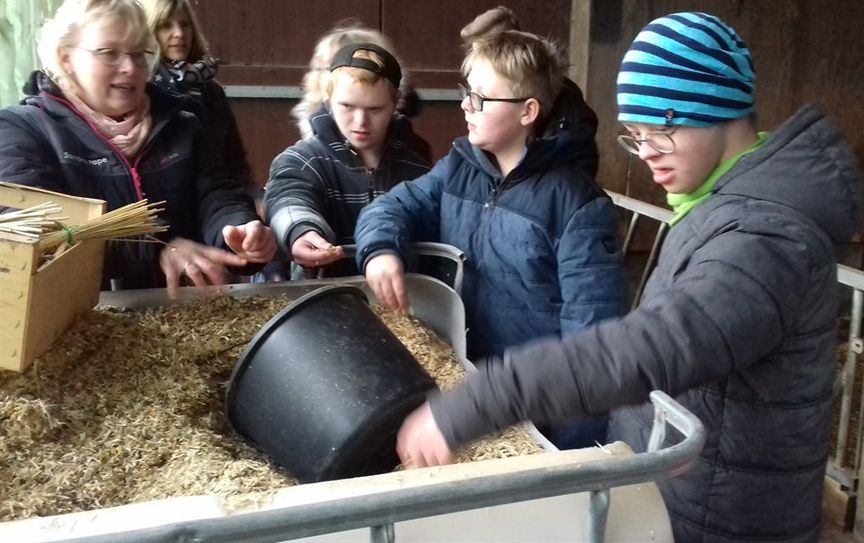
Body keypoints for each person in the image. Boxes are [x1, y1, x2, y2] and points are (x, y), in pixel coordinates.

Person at [395, 11, 862, 542]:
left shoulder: (763, 238)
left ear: (713, 112)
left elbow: (656, 345)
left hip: (727, 518)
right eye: (633, 137)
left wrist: (471, 407)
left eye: (658, 133)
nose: (645, 157)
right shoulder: (713, 202)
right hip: (694, 484)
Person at [354, 30, 628, 449]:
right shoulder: (459, 168)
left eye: (481, 98)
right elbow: (392, 207)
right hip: (465, 385)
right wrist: (380, 251)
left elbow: (591, 340)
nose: (466, 105)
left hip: (536, 408)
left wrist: (574, 455)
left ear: (527, 111)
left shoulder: (576, 205)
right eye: (467, 93)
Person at [0, 0, 275, 296]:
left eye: (139, 54)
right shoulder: (24, 130)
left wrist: (238, 229)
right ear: (66, 58)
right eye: (109, 54)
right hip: (76, 314)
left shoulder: (182, 124)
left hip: (180, 309)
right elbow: (40, 231)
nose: (130, 68)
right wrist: (158, 250)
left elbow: (215, 194)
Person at [264, 41, 431, 278]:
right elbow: (288, 199)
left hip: (399, 301)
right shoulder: (302, 159)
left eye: (375, 109)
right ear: (329, 99)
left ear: (396, 103)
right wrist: (300, 230)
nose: (360, 121)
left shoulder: (418, 168)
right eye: (347, 106)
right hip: (322, 299)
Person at [460, 5, 599, 179]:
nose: (466, 105)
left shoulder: (571, 121)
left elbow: (573, 192)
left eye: (490, 49)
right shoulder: (466, 153)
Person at [141, 0, 254, 190]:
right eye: (166, 25)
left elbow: (235, 160)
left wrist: (250, 201)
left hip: (219, 201)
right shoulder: (144, 90)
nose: (179, 34)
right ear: (150, 32)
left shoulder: (211, 91)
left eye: (185, 24)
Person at [292, 20, 431, 162]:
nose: (361, 121)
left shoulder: (412, 152)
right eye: (322, 69)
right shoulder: (305, 157)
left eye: (337, 67)